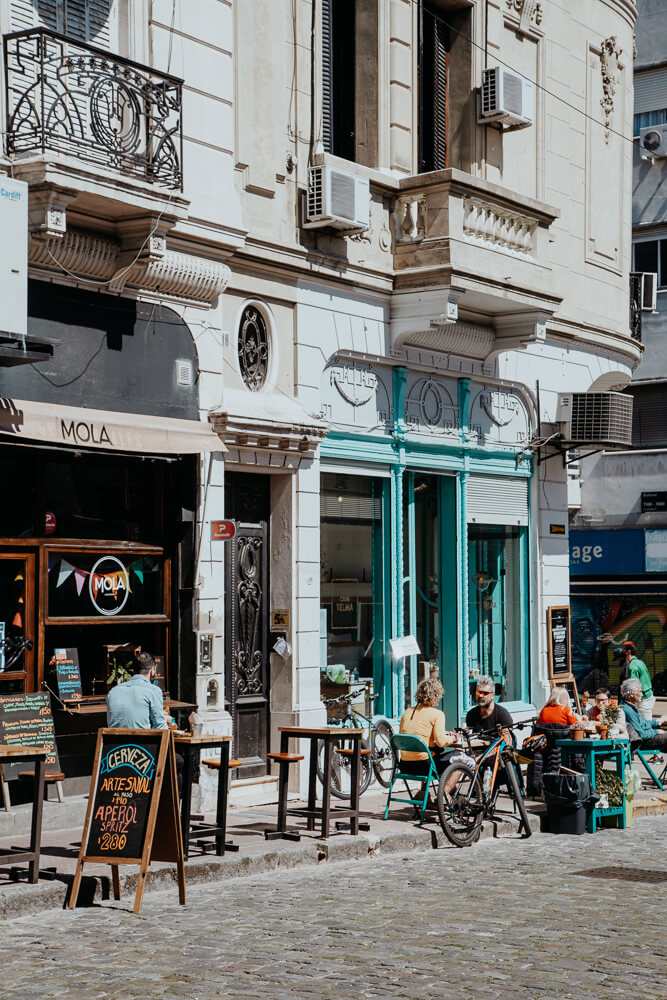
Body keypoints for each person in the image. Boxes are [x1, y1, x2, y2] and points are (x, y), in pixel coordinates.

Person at [107, 650, 183, 793]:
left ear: (132, 670)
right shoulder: (153, 691)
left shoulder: (113, 692)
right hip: (142, 753)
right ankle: (169, 810)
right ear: (153, 670)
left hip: (114, 753)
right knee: (178, 762)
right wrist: (166, 722)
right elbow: (160, 728)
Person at [399, 678, 465, 797]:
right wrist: (454, 737)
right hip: (424, 767)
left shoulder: (407, 712)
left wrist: (429, 740)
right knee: (460, 756)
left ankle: (423, 793)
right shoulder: (437, 714)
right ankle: (446, 795)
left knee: (434, 753)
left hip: (405, 765)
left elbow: (404, 739)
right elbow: (441, 741)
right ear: (436, 696)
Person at [619, 677, 667, 755]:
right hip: (640, 743)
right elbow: (641, 735)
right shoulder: (628, 710)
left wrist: (657, 723)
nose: (642, 694)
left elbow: (642, 722)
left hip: (645, 738)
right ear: (631, 694)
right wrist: (656, 731)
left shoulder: (630, 706)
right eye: (640, 692)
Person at [466, 675, 513, 743]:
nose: (481, 696)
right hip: (474, 752)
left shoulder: (502, 715)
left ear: (493, 696)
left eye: (485, 693)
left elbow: (508, 743)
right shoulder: (471, 714)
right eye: (478, 692)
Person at [619, 642, 655, 720]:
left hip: (643, 700)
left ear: (628, 652)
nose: (621, 652)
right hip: (648, 697)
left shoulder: (632, 666)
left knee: (646, 726)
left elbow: (634, 687)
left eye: (623, 650)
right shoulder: (640, 662)